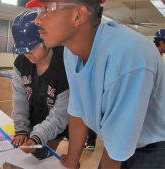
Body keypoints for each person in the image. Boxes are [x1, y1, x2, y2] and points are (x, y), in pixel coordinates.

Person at [26, 0, 165, 168]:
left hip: (153, 148)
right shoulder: (71, 52)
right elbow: (78, 108)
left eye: (46, 9)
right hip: (115, 141)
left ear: (79, 15)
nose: (37, 20)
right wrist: (71, 161)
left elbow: (117, 143)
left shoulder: (126, 57)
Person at [10, 11, 70, 153]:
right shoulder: (21, 63)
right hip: (31, 121)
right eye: (22, 50)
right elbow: (19, 100)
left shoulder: (64, 65)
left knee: (44, 155)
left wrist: (38, 137)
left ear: (45, 39)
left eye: (31, 49)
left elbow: (60, 113)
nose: (27, 54)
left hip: (55, 126)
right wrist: (20, 130)